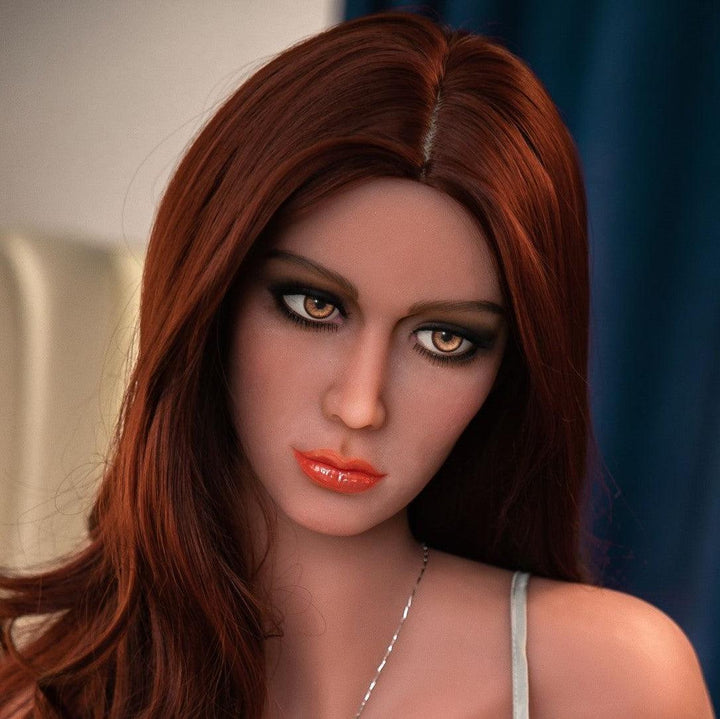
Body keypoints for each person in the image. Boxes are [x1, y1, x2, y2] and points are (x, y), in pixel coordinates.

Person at [0, 11, 713, 719]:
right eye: (313, 306)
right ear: (211, 297)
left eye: (444, 340)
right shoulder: (49, 698)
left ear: (508, 371)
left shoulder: (615, 681)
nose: (360, 405)